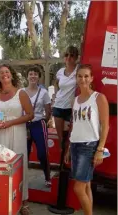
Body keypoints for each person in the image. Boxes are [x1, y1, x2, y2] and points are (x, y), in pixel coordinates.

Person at [0, 64, 34, 215]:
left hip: (17, 133)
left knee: (19, 167)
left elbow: (30, 114)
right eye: (1, 73)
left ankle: (24, 201)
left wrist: (10, 122)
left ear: (12, 75)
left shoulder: (21, 93)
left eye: (7, 72)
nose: (4, 74)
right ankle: (0, 198)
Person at [65, 64, 109, 215]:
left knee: (78, 187)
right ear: (76, 79)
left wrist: (100, 150)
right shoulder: (75, 101)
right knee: (86, 186)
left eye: (86, 76)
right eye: (79, 76)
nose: (82, 79)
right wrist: (69, 148)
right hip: (75, 145)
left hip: (89, 146)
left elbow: (105, 126)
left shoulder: (99, 98)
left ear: (91, 78)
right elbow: (74, 125)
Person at [23, 66, 52, 187]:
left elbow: (48, 111)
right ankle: (23, 179)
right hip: (24, 125)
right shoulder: (22, 92)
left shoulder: (44, 92)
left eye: (35, 74)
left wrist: (43, 121)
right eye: (31, 74)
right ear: (27, 76)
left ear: (39, 77)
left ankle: (47, 177)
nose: (33, 76)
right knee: (24, 153)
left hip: (38, 124)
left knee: (42, 153)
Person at [52, 46, 79, 148]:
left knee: (70, 138)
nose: (68, 57)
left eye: (72, 55)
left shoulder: (78, 70)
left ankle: (69, 162)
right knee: (61, 139)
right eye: (66, 55)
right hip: (58, 107)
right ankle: (61, 163)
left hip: (70, 108)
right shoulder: (60, 71)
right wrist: (54, 97)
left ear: (76, 57)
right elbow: (56, 84)